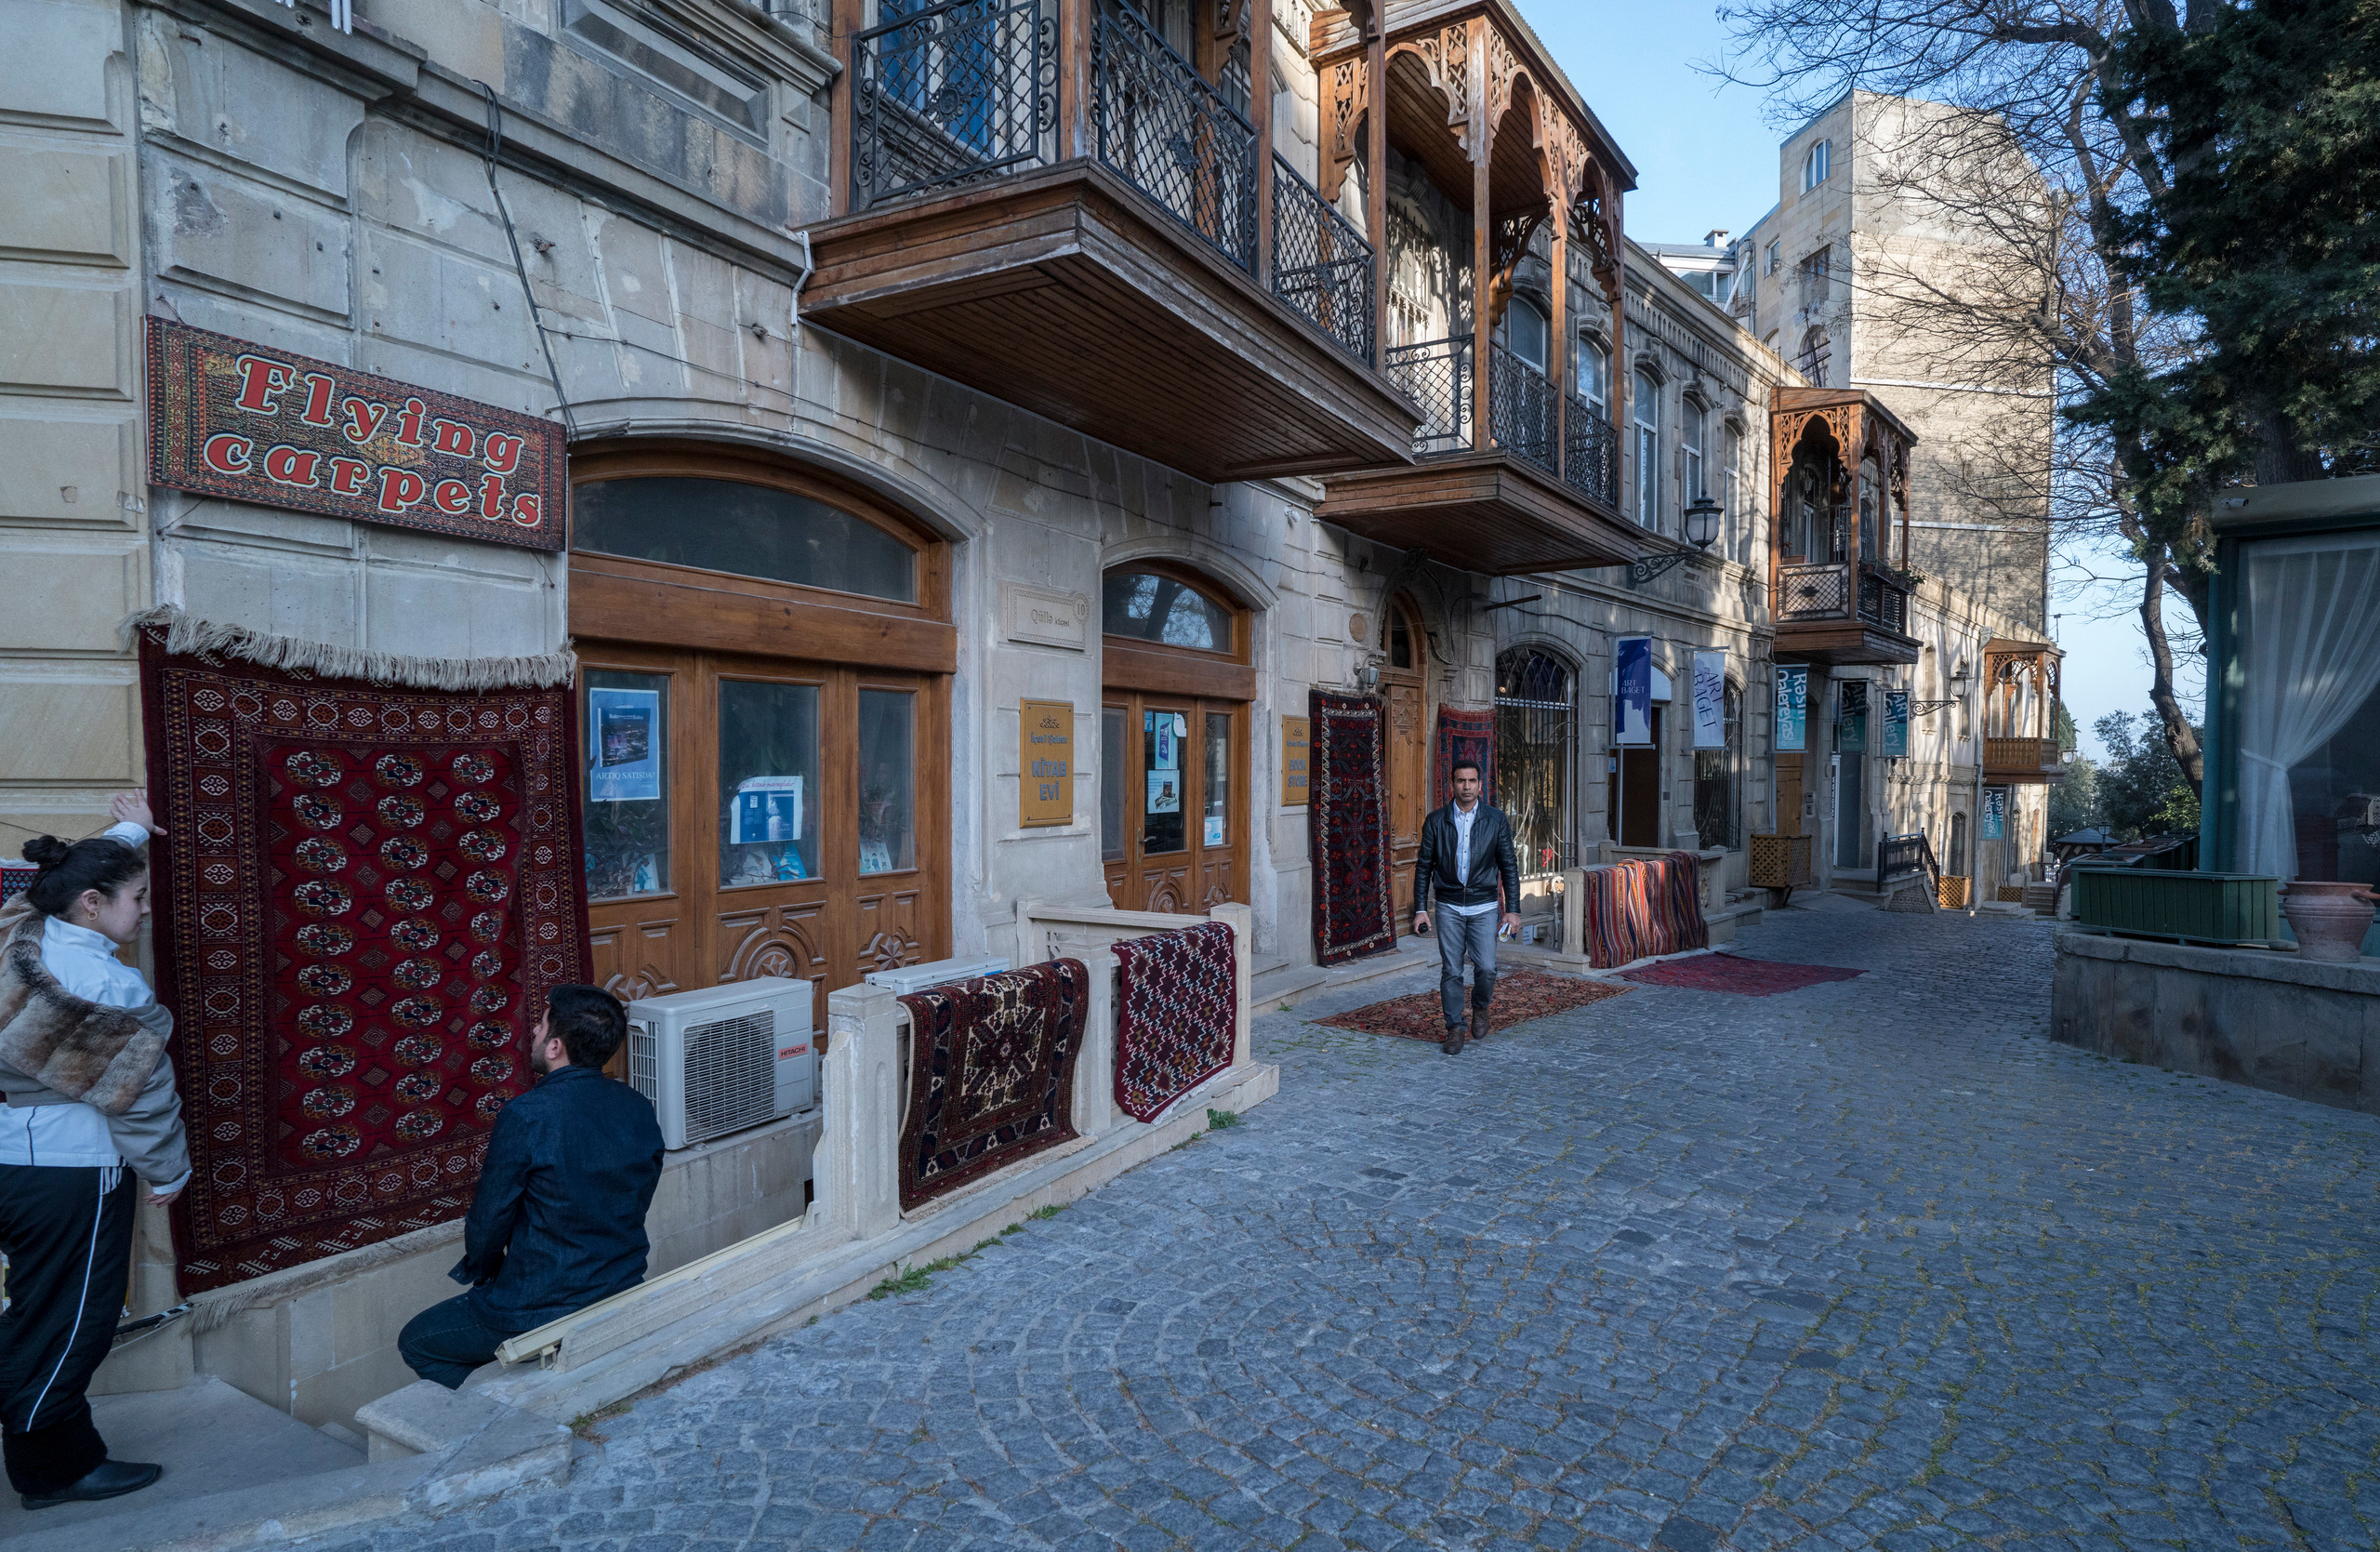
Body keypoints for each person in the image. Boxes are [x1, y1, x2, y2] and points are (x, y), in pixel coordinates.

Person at [0, 793, 190, 1510]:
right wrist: (169, 1170)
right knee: (71, 1322)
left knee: (35, 1309)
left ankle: (62, 1445)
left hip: (12, 1160)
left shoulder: (19, 931)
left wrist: (129, 830)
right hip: (73, 1175)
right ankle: (53, 1469)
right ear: (89, 902)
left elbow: (56, 878)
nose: (142, 910)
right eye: (136, 897)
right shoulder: (109, 984)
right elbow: (142, 1093)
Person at [397, 985, 664, 1389]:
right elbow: (640, 1195)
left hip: (539, 1303)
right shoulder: (636, 1105)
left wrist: (486, 1275)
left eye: (539, 1028)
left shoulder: (526, 1115)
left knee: (417, 1342)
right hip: (621, 1283)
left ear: (555, 1046)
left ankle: (501, 1418)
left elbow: (489, 1221)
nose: (533, 1035)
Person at [1411, 760, 1520, 1056]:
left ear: (1481, 786)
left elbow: (1509, 865)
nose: (1467, 787)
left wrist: (1512, 910)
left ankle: (1481, 1007)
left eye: (1472, 781)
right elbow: (1423, 867)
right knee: (1452, 969)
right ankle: (1455, 1028)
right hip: (1448, 907)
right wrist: (1421, 908)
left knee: (1486, 968)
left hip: (1484, 906)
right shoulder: (1436, 821)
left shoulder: (1496, 820)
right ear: (1452, 785)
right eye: (1461, 781)